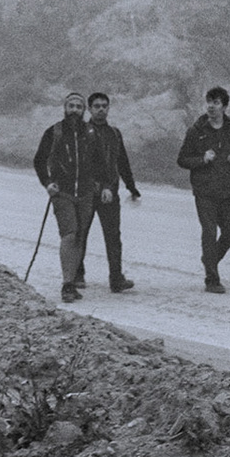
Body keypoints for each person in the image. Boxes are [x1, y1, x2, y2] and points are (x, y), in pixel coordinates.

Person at [175, 86, 230, 293]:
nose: (211, 106)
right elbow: (182, 159)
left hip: (228, 190)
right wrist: (202, 159)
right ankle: (212, 280)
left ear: (224, 106)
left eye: (216, 102)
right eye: (209, 101)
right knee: (209, 233)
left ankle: (209, 259)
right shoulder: (196, 131)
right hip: (205, 191)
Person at [33, 91, 104, 303]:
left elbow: (100, 163)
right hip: (62, 193)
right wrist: (47, 183)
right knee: (70, 234)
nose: (74, 110)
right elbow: (39, 160)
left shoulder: (91, 132)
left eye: (78, 107)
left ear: (84, 110)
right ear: (65, 108)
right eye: (71, 106)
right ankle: (67, 284)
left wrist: (101, 185)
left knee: (80, 235)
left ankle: (72, 281)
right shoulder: (54, 132)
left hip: (85, 194)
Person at [76, 91, 141, 292]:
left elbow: (122, 162)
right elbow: (84, 164)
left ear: (109, 108)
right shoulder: (82, 132)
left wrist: (131, 187)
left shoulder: (114, 133)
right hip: (87, 192)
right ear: (89, 109)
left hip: (110, 194)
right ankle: (77, 275)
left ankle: (116, 278)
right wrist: (99, 185)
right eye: (97, 106)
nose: (101, 109)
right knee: (81, 234)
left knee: (113, 237)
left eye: (105, 105)